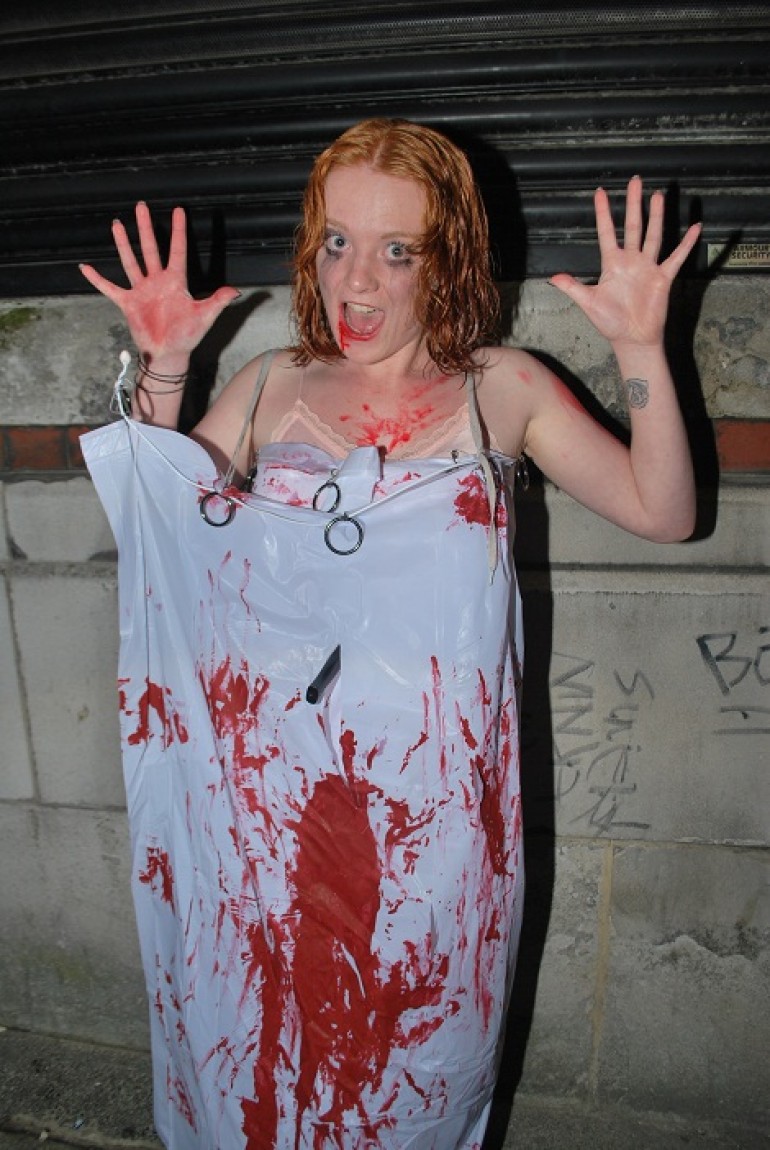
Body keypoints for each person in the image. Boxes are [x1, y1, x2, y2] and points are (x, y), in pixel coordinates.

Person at [79, 119, 700, 1150]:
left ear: (446, 259)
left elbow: (664, 511)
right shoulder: (272, 383)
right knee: (263, 1052)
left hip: (431, 823)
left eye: (396, 250)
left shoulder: (501, 387)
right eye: (336, 242)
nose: (355, 280)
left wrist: (639, 348)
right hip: (264, 808)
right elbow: (159, 528)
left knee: (406, 1058)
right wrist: (166, 366)